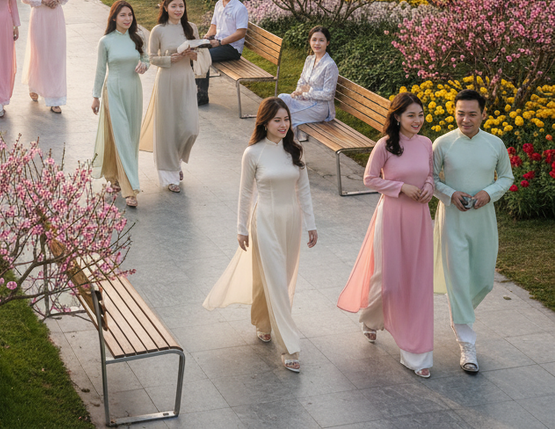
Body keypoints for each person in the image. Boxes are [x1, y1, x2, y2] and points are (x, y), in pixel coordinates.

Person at [203, 97, 317, 373]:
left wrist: (311, 224)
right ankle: (290, 346)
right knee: (277, 280)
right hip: (264, 220)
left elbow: (304, 190)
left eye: (286, 119)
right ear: (264, 122)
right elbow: (245, 192)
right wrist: (241, 228)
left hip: (291, 221)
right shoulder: (253, 153)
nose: (283, 124)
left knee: (282, 277)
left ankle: (264, 322)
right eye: (277, 119)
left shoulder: (295, 150)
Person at [337, 93, 435, 378]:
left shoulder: (427, 143)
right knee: (388, 280)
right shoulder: (385, 146)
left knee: (416, 282)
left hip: (418, 217)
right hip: (391, 216)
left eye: (420, 114)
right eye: (411, 116)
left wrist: (428, 186)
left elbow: (429, 174)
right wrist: (401, 188)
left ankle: (416, 353)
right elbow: (370, 179)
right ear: (397, 117)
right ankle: (371, 317)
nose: (417, 120)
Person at [433, 89, 513, 373]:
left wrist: (488, 194)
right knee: (458, 278)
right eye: (460, 113)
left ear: (483, 114)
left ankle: (459, 314)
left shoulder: (495, 144)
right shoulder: (442, 144)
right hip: (452, 219)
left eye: (472, 114)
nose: (465, 119)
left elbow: (506, 177)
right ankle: (467, 343)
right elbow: (430, 179)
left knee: (483, 279)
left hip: (483, 219)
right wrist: (451, 194)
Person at [139, 0, 200, 193]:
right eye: (173, 6)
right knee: (167, 128)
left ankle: (177, 160)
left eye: (181, 6)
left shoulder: (192, 28)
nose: (178, 9)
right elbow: (150, 57)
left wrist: (193, 56)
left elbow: (201, 57)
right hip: (166, 82)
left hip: (186, 81)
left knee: (190, 128)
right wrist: (168, 59)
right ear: (165, 7)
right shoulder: (158, 30)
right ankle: (171, 175)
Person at [91, 1, 149, 209]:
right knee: (122, 136)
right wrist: (95, 96)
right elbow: (100, 71)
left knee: (130, 139)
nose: (127, 19)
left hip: (134, 92)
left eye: (130, 15)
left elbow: (146, 58)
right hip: (113, 92)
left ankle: (115, 176)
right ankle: (130, 189)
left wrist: (145, 65)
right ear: (114, 17)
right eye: (123, 15)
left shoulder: (137, 38)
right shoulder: (105, 41)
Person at [21, 0, 71, 113]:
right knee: (40, 54)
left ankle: (54, 98)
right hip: (39, 18)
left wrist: (59, 0)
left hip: (56, 18)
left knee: (56, 56)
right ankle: (35, 85)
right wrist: (42, 0)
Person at [279, 25, 339, 142]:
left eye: (321, 40)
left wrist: (307, 93)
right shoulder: (309, 59)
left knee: (285, 116)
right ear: (310, 41)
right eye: (314, 40)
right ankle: (288, 145)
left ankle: (291, 150)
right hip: (304, 101)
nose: (317, 43)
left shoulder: (330, 65)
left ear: (327, 43)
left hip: (319, 108)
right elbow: (302, 80)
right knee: (281, 99)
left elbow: (328, 95)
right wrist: (298, 92)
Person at [198, 0, 249, 105]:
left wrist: (219, 42)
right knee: (194, 52)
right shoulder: (219, 4)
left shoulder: (239, 8)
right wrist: (207, 37)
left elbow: (241, 33)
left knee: (203, 57)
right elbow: (214, 26)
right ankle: (194, 91)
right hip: (219, 43)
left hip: (231, 48)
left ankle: (201, 97)